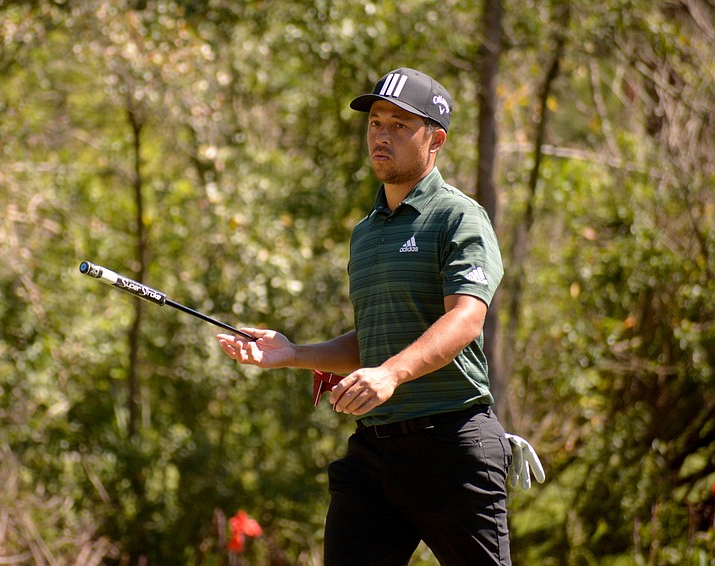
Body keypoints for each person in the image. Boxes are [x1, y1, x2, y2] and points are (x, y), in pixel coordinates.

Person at [217, 67, 518, 565]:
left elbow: (465, 320)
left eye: (400, 125)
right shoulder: (366, 232)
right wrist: (293, 353)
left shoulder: (459, 217)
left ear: (435, 139)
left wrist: (391, 374)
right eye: (376, 122)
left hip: (452, 447)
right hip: (374, 456)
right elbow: (375, 340)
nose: (382, 134)